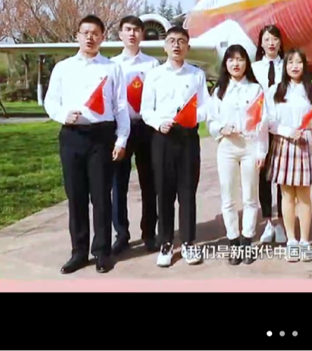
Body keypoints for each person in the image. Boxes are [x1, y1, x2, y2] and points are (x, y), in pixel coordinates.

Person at [43, 14, 130, 274]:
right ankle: (79, 252)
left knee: (101, 197)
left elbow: (120, 106)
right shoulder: (63, 68)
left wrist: (122, 138)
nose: (90, 37)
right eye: (85, 33)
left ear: (102, 37)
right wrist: (63, 115)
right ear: (77, 36)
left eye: (95, 33)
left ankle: (102, 252)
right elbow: (51, 101)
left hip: (102, 137)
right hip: (72, 137)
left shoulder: (112, 68)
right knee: (76, 196)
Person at [140, 25, 210, 268]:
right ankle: (166, 243)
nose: (176, 45)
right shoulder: (155, 75)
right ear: (165, 46)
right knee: (164, 192)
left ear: (188, 46)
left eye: (181, 41)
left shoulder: (196, 75)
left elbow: (206, 106)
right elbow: (146, 110)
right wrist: (159, 123)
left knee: (187, 192)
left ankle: (188, 242)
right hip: (163, 138)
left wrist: (192, 117)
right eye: (172, 41)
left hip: (188, 137)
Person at [265, 49, 312, 262]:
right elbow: (270, 120)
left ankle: (305, 241)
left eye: (299, 62)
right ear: (285, 66)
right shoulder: (275, 91)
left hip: (306, 144)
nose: (294, 66)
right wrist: (287, 131)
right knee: (286, 195)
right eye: (290, 62)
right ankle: (291, 240)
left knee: (304, 195)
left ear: (304, 65)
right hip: (284, 143)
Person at [207, 44, 268, 265]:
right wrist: (221, 129)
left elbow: (263, 121)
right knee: (228, 196)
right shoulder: (219, 91)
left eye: (240, 59)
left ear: (246, 63)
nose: (236, 63)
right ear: (225, 63)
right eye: (231, 59)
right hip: (228, 147)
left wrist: (262, 150)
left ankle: (247, 240)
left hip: (250, 145)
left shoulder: (255, 89)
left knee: (250, 196)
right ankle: (233, 240)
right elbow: (210, 119)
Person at [110, 15, 160, 255]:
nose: (132, 34)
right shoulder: (112, 65)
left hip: (146, 128)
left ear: (142, 34)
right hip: (121, 128)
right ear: (120, 34)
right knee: (118, 183)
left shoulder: (152, 65)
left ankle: (149, 232)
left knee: (149, 183)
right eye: (127, 29)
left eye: (136, 30)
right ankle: (121, 234)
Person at [251, 24, 287, 244]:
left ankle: (282, 222)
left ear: (280, 43)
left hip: (283, 128)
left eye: (275, 39)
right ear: (261, 43)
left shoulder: (289, 65)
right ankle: (268, 222)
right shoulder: (254, 68)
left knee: (283, 177)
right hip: (261, 128)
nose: (271, 43)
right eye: (267, 39)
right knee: (263, 177)